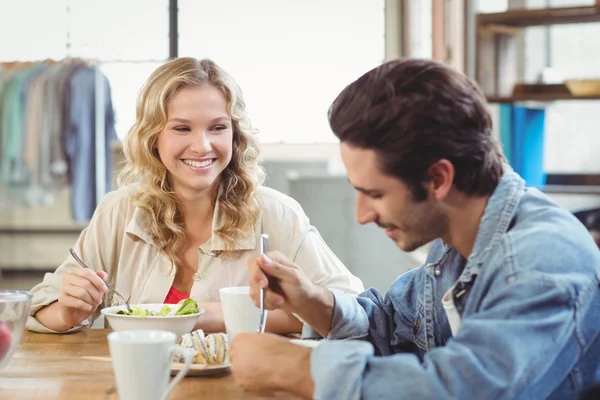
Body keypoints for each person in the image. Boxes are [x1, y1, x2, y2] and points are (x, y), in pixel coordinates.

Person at [229, 58, 600, 399]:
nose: (362, 215)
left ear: (438, 178)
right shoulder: (455, 237)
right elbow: (393, 329)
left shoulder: (541, 260)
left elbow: (467, 388)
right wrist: (312, 300)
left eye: (374, 193)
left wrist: (297, 368)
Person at [26, 57, 364, 334]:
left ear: (236, 135)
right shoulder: (119, 210)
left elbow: (352, 310)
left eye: (218, 127)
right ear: (152, 137)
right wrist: (68, 311)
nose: (202, 146)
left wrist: (216, 316)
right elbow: (41, 308)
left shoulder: (276, 213)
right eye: (182, 128)